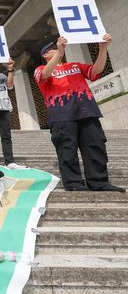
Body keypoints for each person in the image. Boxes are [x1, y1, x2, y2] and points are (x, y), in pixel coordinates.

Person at [34, 35, 124, 192]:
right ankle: (74, 183)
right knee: (67, 149)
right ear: (45, 55)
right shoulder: (41, 69)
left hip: (87, 111)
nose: (56, 49)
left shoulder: (74, 66)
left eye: (56, 47)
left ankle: (99, 181)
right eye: (52, 49)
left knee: (95, 145)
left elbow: (95, 71)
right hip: (61, 115)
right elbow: (45, 76)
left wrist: (103, 49)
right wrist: (59, 53)